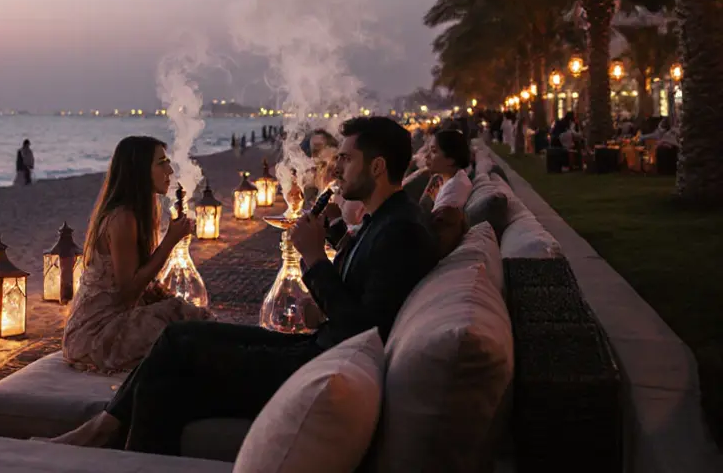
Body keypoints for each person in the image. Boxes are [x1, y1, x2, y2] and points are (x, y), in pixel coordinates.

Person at [48, 117, 439, 454]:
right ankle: (126, 450)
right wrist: (325, 269)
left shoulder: (400, 231)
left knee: (178, 344)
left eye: (347, 159)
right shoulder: (386, 221)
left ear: (377, 167)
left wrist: (316, 260)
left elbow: (362, 330)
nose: (337, 170)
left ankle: (105, 431)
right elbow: (360, 299)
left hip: (317, 363)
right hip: (319, 350)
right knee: (176, 358)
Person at [61, 136, 211, 373]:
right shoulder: (122, 218)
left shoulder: (139, 213)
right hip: (95, 336)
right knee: (183, 324)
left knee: (187, 319)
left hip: (113, 323)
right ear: (139, 170)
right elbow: (127, 292)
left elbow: (137, 285)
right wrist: (170, 240)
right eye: (161, 162)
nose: (169, 169)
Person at [420, 129, 474, 212]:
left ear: (451, 159)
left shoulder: (454, 190)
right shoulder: (451, 181)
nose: (426, 156)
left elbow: (434, 222)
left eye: (434, 151)